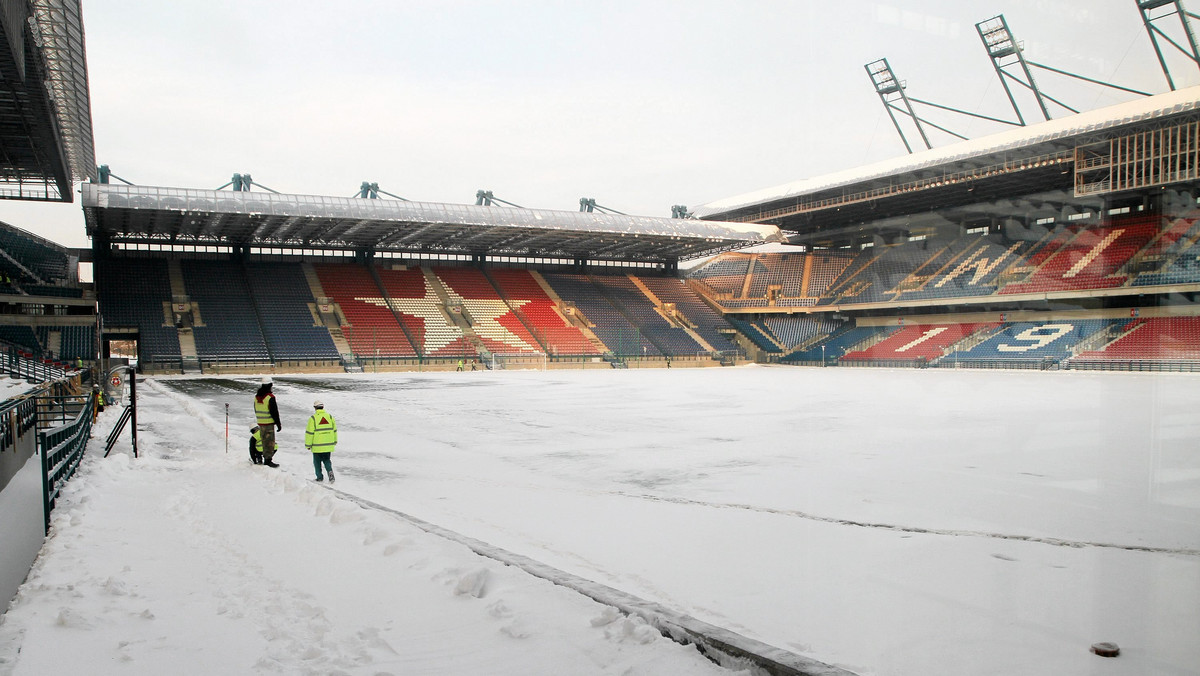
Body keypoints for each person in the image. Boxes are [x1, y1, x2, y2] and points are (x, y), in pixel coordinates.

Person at [305, 400, 337, 482]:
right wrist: (334, 441)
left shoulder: (313, 418)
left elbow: (309, 433)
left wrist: (308, 445)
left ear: (315, 408)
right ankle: (330, 472)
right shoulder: (330, 417)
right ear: (323, 407)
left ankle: (319, 477)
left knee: (317, 462)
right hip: (328, 444)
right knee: (327, 460)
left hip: (317, 445)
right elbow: (334, 430)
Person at [254, 377, 281, 468]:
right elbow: (274, 412)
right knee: (270, 443)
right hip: (269, 423)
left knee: (264, 442)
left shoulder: (257, 397)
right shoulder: (270, 397)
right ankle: (268, 460)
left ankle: (264, 458)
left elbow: (255, 409)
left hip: (260, 423)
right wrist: (278, 423)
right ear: (270, 385)